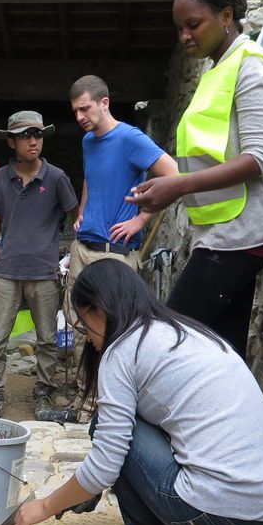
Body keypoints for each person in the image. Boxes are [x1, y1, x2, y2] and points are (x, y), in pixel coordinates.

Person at [12, 260, 263, 525]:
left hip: (219, 516)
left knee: (110, 428)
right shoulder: (185, 333)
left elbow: (108, 461)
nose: (89, 339)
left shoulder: (122, 350)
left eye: (84, 326)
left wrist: (46, 506)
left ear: (99, 309)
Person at [126, 0, 263, 362]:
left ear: (227, 16)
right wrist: (167, 193)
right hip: (225, 230)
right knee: (223, 355)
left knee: (166, 342)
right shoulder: (218, 69)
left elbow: (258, 158)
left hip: (246, 232)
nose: (185, 36)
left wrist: (178, 185)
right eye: (180, 28)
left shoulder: (251, 66)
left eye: (194, 25)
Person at [65, 74, 178, 414]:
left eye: (85, 108)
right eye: (75, 111)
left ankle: (110, 404)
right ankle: (84, 400)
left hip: (116, 255)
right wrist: (83, 209)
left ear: (104, 102)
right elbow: (90, 175)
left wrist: (141, 220)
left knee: (115, 331)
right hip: (84, 248)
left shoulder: (130, 138)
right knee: (79, 326)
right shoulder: (88, 141)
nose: (80, 117)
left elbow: (172, 174)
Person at [0, 111, 78, 421]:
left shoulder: (57, 178)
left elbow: (76, 217)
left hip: (45, 272)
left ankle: (43, 393)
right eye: (25, 135)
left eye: (37, 134)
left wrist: (72, 256)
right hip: (7, 271)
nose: (33, 140)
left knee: (48, 339)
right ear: (11, 141)